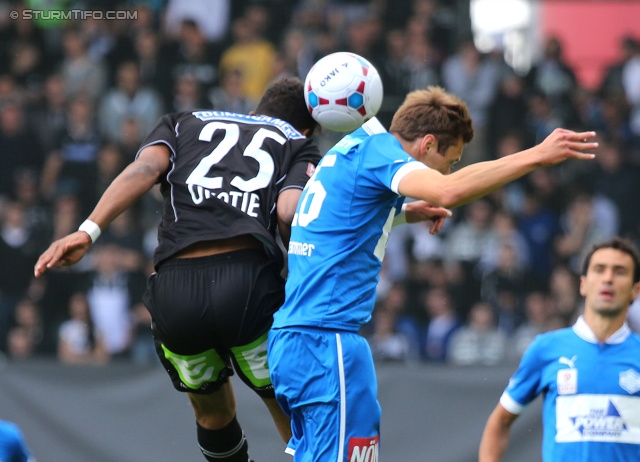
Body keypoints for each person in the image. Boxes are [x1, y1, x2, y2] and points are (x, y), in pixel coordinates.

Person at [267, 85, 597, 461]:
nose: (448, 169)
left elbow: (339, 217)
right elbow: (449, 191)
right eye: (451, 160)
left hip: (291, 341)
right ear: (426, 144)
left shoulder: (348, 149)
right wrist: (536, 156)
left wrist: (404, 212)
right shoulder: (380, 153)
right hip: (326, 343)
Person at [33, 76, 321, 462]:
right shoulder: (297, 142)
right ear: (305, 127)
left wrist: (88, 231)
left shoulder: (182, 121)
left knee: (214, 414)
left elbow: (142, 171)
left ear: (253, 111)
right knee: (292, 413)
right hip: (247, 287)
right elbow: (289, 212)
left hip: (175, 292)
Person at [479, 237, 640, 461]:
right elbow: (499, 423)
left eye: (620, 271)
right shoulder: (546, 349)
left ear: (635, 290)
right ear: (583, 284)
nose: (608, 278)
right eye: (599, 270)